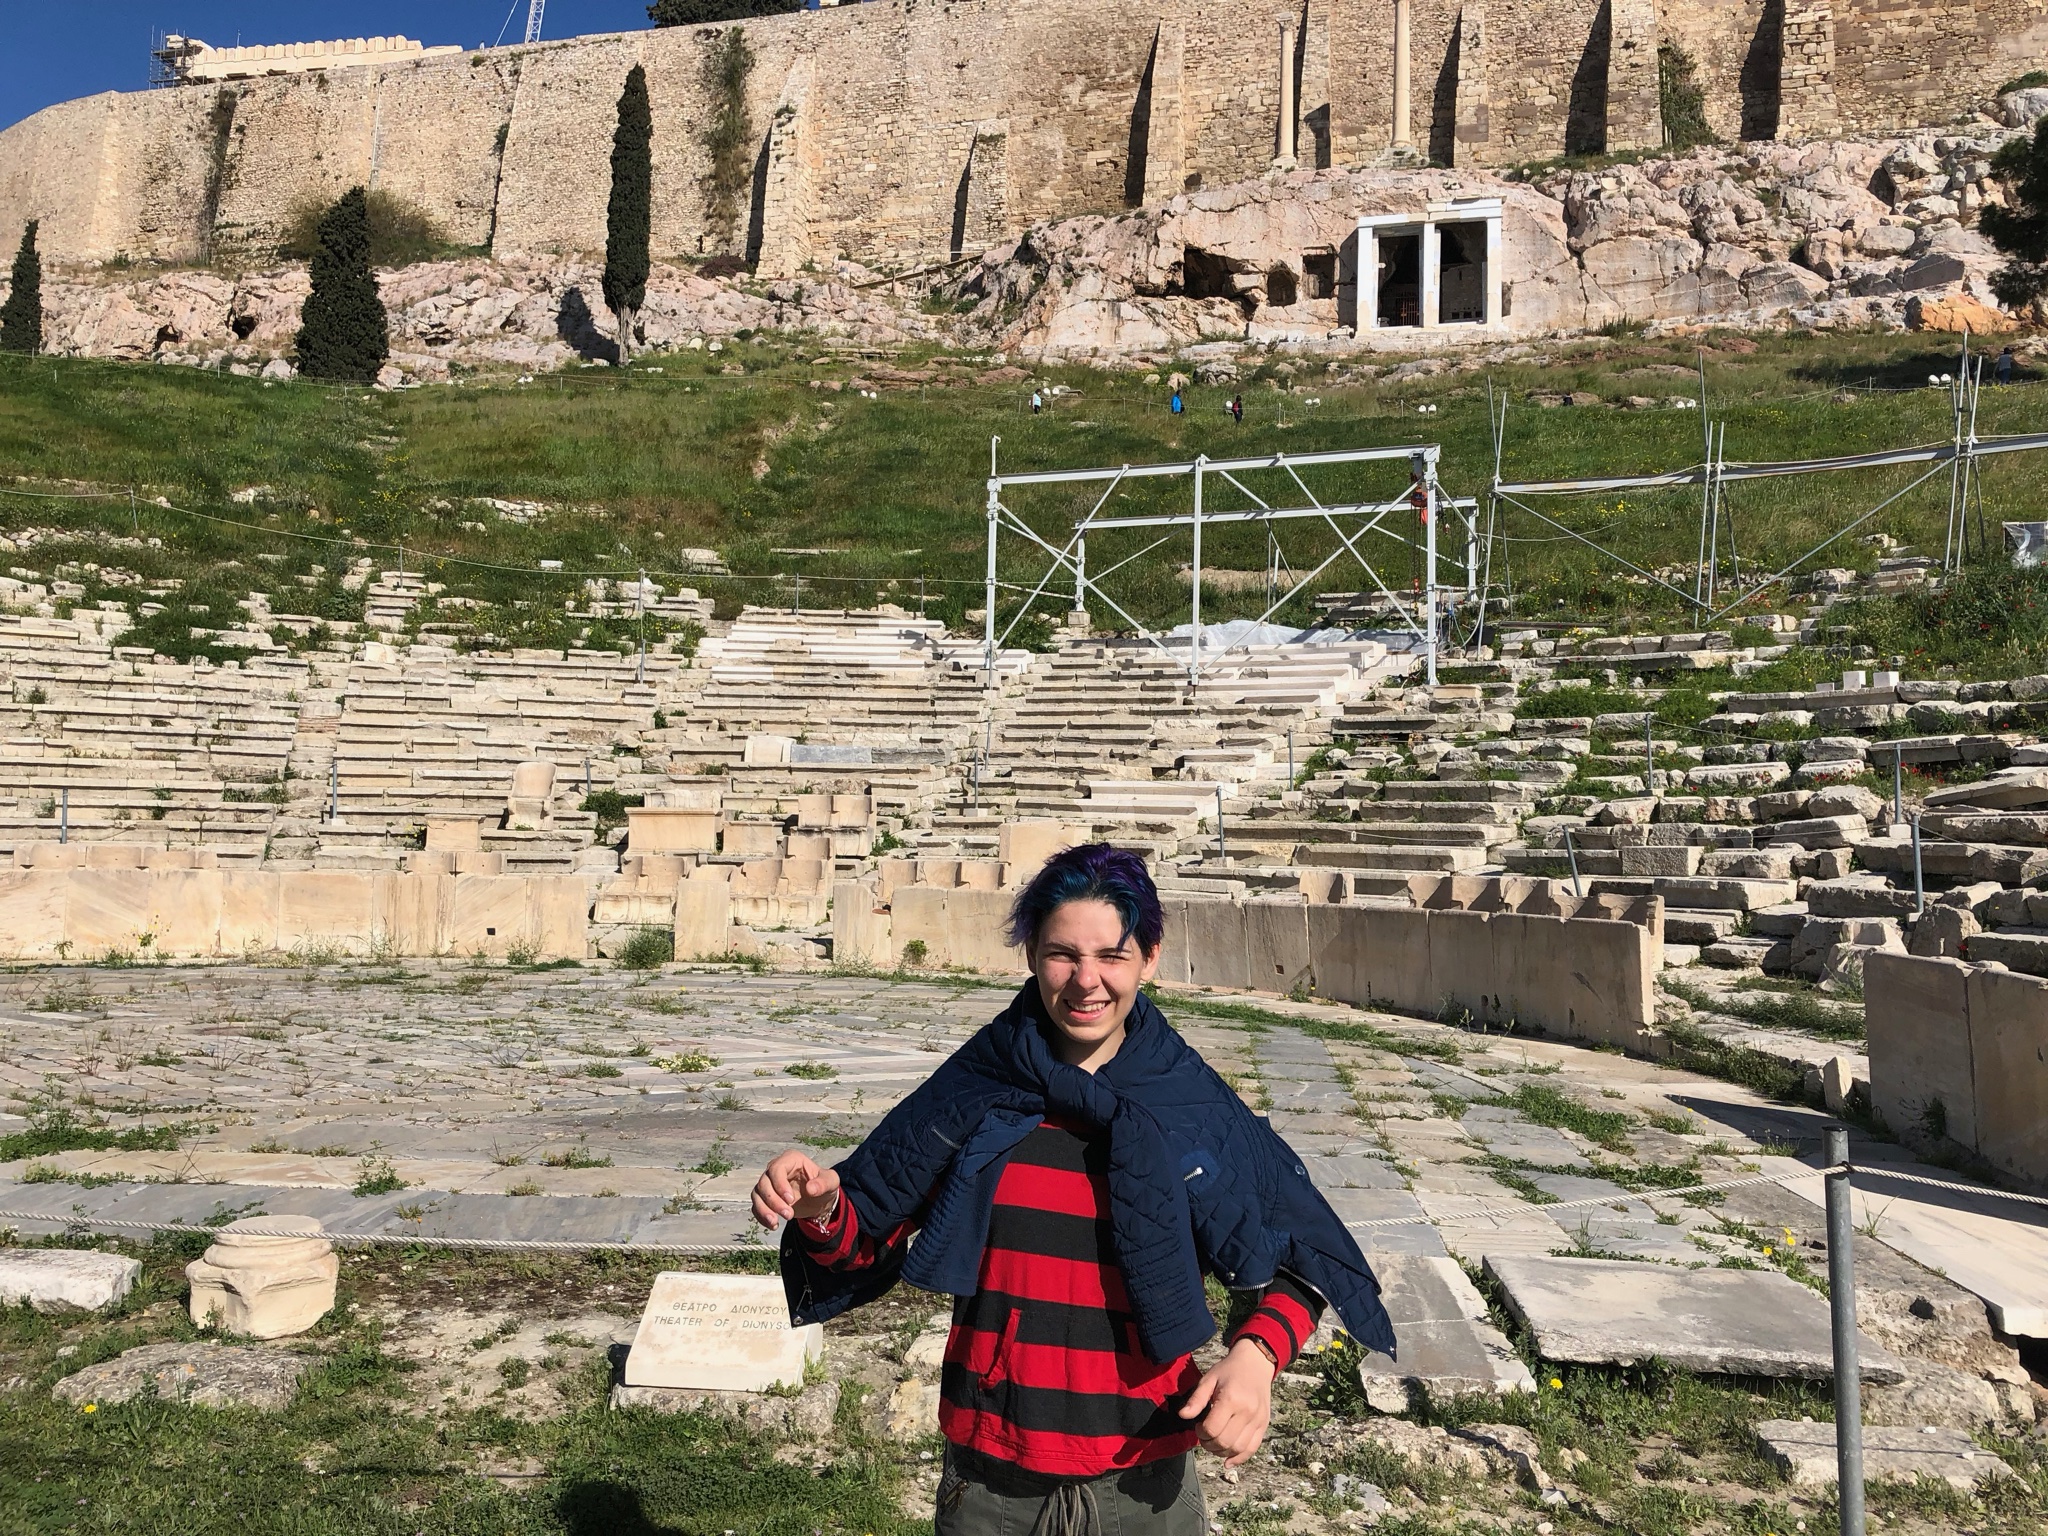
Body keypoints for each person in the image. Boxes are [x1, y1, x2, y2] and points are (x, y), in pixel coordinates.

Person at [755, 845, 1392, 1536]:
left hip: (1147, 1485)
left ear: (1149, 957)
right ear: (1030, 953)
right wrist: (822, 1210)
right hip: (993, 1483)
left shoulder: (1189, 1104)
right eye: (1062, 954)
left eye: (1111, 956)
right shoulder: (978, 1083)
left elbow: (1306, 1254)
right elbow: (859, 1242)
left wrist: (1256, 1357)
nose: (1086, 981)